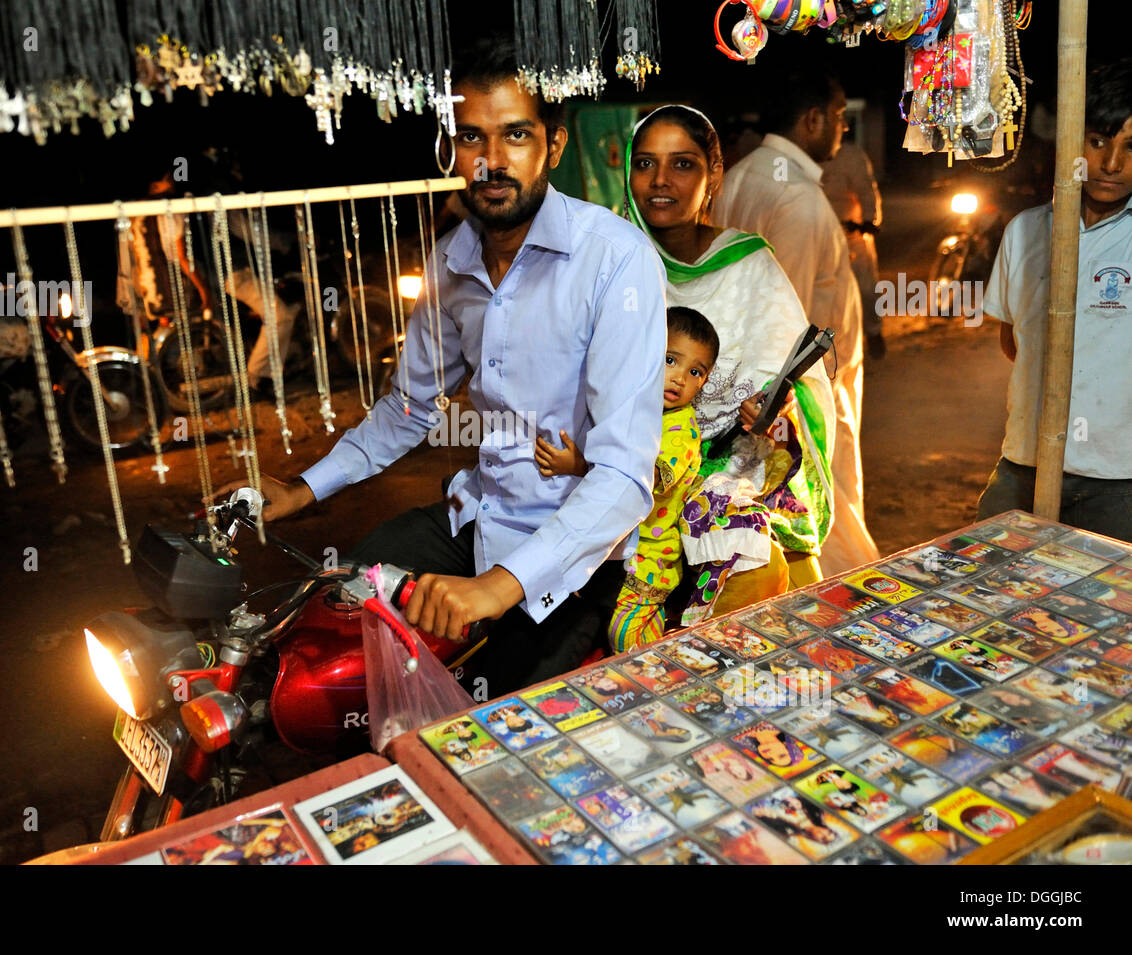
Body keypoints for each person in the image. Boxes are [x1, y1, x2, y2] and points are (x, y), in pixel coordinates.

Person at [244, 35, 667, 695]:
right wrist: (304, 488)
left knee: (483, 723)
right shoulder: (450, 262)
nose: (491, 162)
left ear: (553, 147)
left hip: (571, 560)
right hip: (474, 519)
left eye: (516, 136)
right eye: (471, 138)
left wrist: (495, 588)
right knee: (325, 615)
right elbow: (407, 409)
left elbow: (622, 476)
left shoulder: (616, 260)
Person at [621, 104, 837, 621]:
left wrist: (775, 408)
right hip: (625, 476)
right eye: (645, 163)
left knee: (771, 586)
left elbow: (803, 388)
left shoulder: (749, 264)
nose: (660, 181)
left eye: (683, 164)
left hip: (728, 479)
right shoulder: (612, 257)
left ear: (713, 175)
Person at [714, 73, 880, 577]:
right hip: (798, 391)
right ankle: (846, 601)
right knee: (827, 506)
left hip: (740, 383)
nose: (840, 131)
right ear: (811, 120)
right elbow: (790, 321)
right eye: (835, 119)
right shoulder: (798, 201)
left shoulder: (742, 176)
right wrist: (785, 406)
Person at [977, 58, 1132, 543]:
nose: (1111, 164)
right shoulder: (1025, 231)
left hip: (1117, 483)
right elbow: (1014, 342)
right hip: (1022, 466)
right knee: (989, 591)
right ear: (1070, 139)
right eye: (1098, 141)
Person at [534, 305, 714, 652]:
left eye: (695, 371)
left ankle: (660, 662)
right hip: (613, 548)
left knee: (624, 635)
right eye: (670, 360)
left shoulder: (680, 431)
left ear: (705, 381)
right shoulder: (637, 406)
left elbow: (638, 480)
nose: (680, 378)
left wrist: (579, 465)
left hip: (649, 560)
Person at [820, 135, 886, 359]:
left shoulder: (850, 155)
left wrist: (869, 221)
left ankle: (874, 333)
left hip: (853, 235)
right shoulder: (802, 156)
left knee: (867, 289)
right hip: (820, 236)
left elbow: (867, 189)